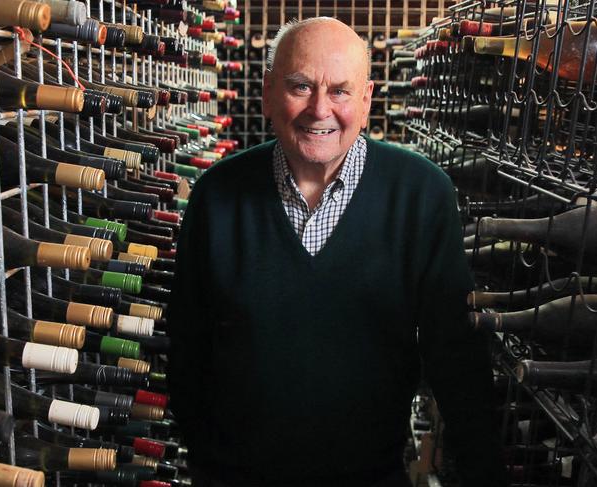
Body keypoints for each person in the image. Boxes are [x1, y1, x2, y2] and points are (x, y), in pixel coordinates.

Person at [167, 17, 507, 487]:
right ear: (267, 93)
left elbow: (456, 359)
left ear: (366, 100)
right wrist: (208, 459)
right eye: (300, 86)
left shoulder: (420, 195)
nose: (319, 109)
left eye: (340, 91)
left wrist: (482, 474)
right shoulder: (216, 195)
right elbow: (186, 348)